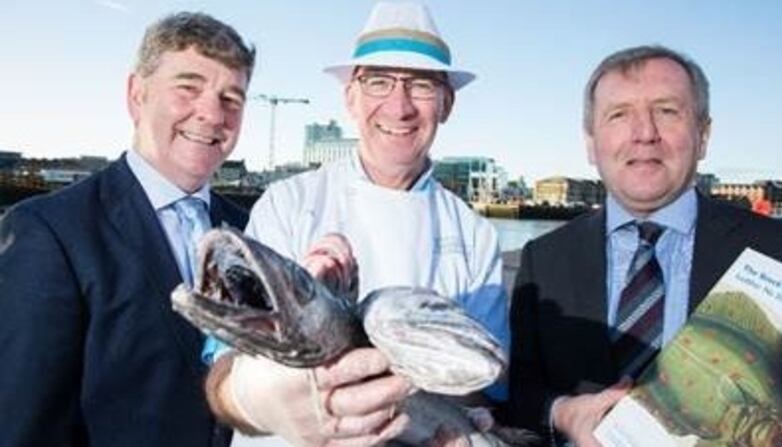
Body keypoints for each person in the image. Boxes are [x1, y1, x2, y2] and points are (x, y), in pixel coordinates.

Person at [203, 2, 509, 446]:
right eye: (378, 82)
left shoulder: (475, 233)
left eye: (421, 85)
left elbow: (483, 385)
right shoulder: (288, 203)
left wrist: (473, 426)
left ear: (447, 103)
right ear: (350, 96)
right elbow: (222, 371)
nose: (399, 107)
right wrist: (254, 396)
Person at [503, 45, 782, 446]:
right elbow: (520, 391)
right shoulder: (544, 260)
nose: (644, 133)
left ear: (703, 135)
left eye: (666, 110)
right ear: (591, 143)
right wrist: (560, 413)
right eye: (619, 114)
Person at [0, 12, 255, 446]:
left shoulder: (254, 232)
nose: (213, 115)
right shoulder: (49, 232)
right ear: (137, 95)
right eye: (188, 88)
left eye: (232, 98)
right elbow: (24, 425)